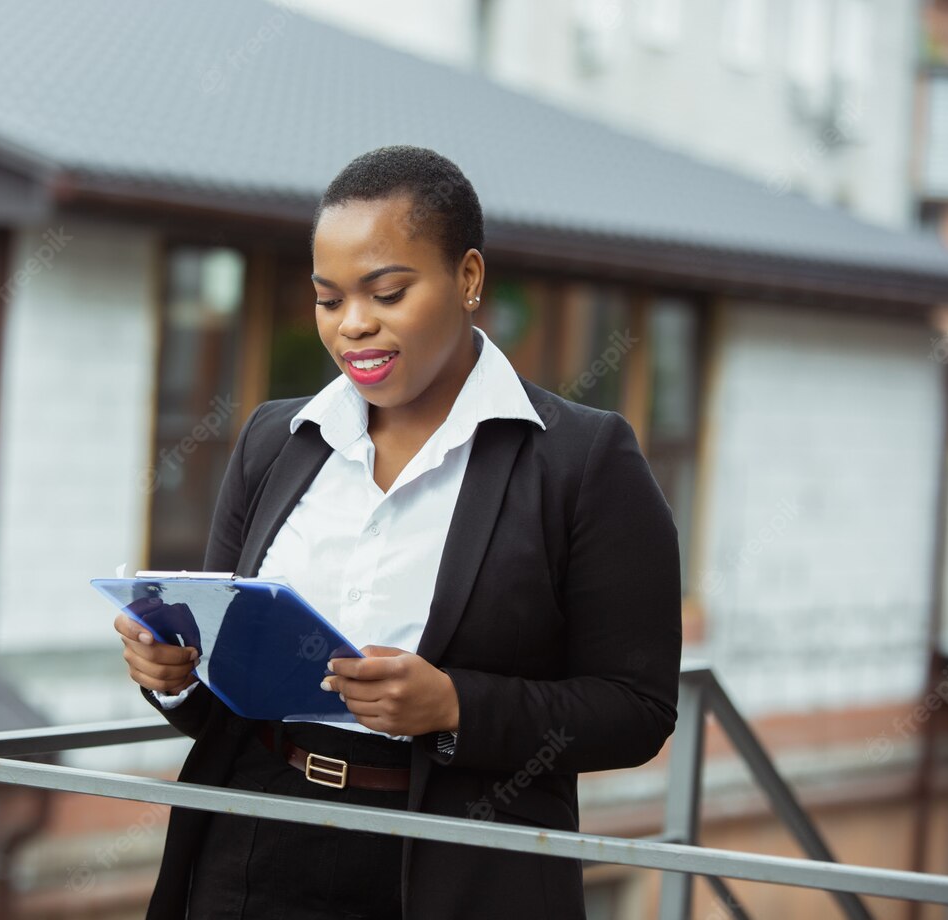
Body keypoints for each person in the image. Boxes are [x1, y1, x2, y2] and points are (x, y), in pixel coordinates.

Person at [114, 144, 682, 919]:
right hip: (253, 841)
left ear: (469, 279)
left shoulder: (581, 459)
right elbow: (224, 692)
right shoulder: (276, 441)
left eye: (386, 292)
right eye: (327, 299)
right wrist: (174, 674)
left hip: (453, 865)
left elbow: (636, 709)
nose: (354, 326)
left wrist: (454, 706)